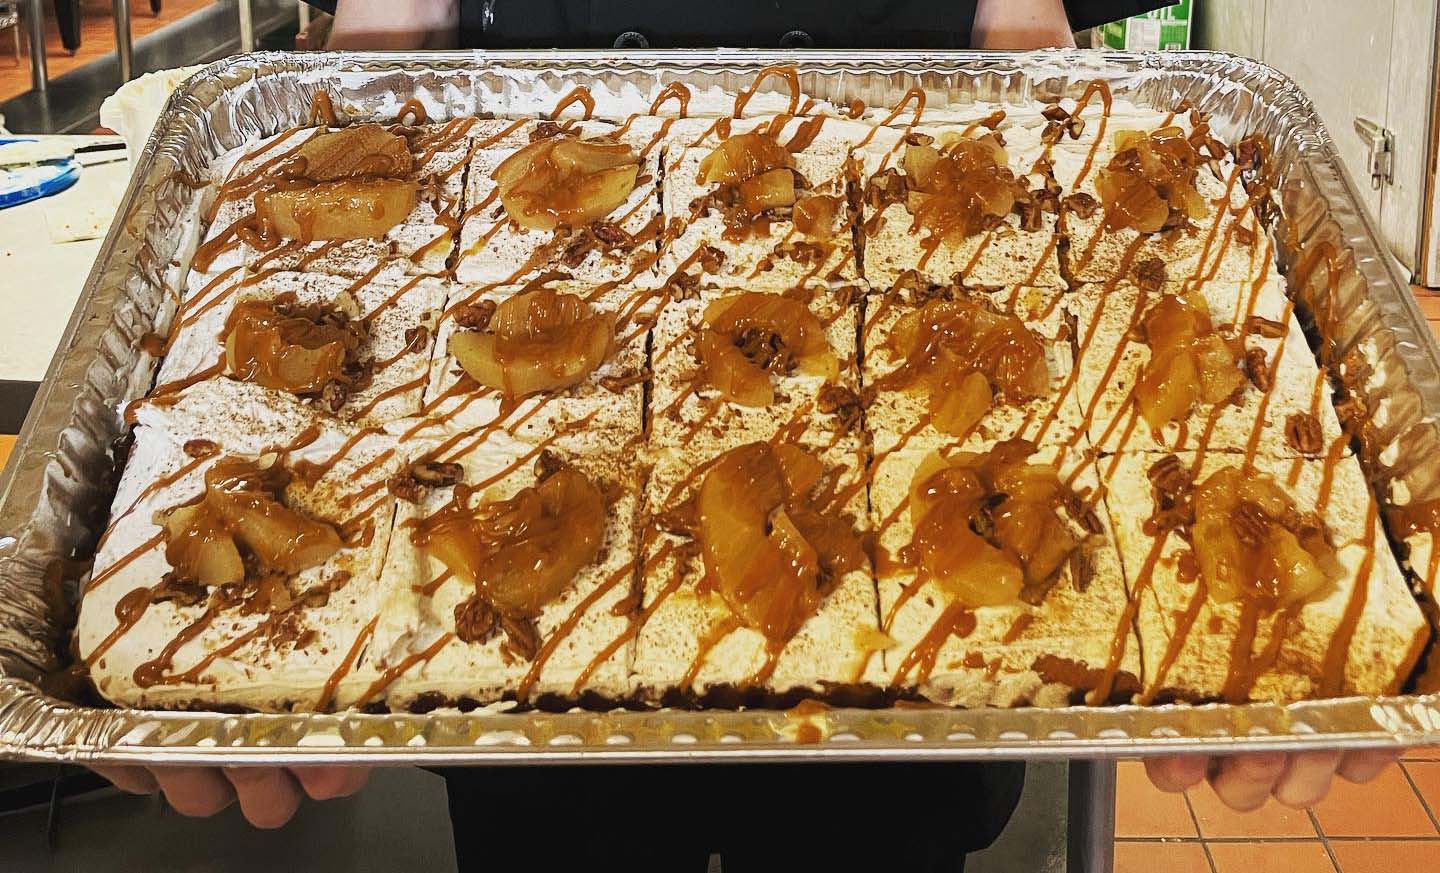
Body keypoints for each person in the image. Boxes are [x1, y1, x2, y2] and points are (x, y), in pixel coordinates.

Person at [93, 1, 1406, 869]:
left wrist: (1016, 25)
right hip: (536, 107)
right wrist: (392, 26)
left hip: (913, 91)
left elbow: (1017, 25)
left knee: (881, 842)